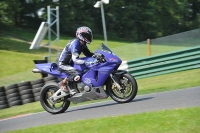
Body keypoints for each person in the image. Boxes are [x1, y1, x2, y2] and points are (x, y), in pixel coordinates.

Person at [58, 26, 94, 94]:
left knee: (85, 69)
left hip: (71, 63)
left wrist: (97, 55)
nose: (88, 37)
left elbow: (88, 54)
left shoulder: (83, 44)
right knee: (78, 73)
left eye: (88, 35)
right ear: (80, 35)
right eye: (86, 35)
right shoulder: (75, 43)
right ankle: (63, 83)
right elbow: (75, 60)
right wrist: (87, 62)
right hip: (64, 64)